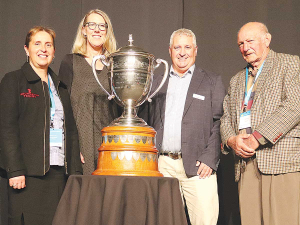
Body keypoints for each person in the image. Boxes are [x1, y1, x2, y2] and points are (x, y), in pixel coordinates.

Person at [140, 28, 226, 225]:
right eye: (177, 47)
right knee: (163, 220)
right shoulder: (155, 81)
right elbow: (145, 120)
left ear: (195, 50)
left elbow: (219, 120)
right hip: (163, 166)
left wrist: (209, 158)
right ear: (169, 50)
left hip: (199, 167)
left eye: (187, 47)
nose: (182, 52)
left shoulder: (211, 81)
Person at [0, 26, 82, 225]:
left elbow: (70, 131)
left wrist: (76, 173)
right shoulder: (14, 81)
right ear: (27, 49)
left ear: (54, 52)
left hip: (57, 176)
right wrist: (15, 170)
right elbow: (6, 128)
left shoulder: (60, 87)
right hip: (27, 176)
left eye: (48, 45)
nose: (43, 49)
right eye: (37, 44)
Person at [220, 22, 300, 225]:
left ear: (267, 39)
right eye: (240, 43)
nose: (245, 47)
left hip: (281, 162)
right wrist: (231, 140)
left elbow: (294, 106)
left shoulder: (290, 64)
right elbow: (225, 118)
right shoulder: (237, 79)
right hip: (246, 165)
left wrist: (257, 137)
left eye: (250, 41)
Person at [58, 9, 119, 175]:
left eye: (101, 26)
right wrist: (71, 147)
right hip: (80, 146)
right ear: (84, 30)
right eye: (91, 25)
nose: (97, 29)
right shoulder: (70, 62)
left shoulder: (115, 65)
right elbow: (61, 107)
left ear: (107, 31)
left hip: (109, 147)